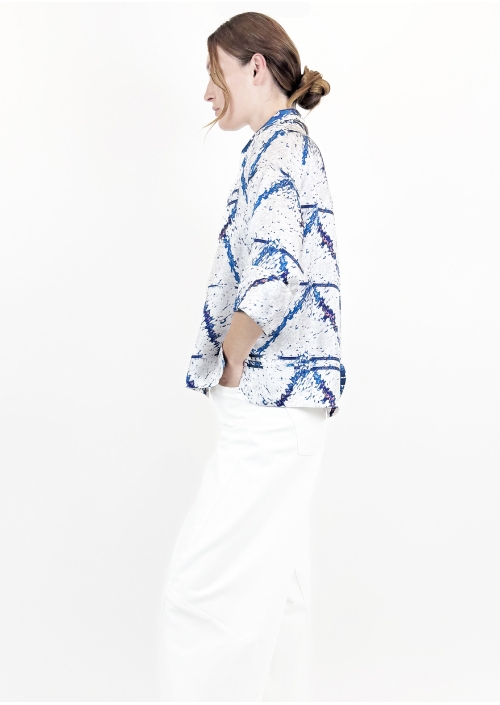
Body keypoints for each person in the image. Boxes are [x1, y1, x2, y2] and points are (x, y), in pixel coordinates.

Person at [159, 11, 346, 702]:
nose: (208, 93)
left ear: (255, 68)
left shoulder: (279, 151)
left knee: (201, 594)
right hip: (291, 403)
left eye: (216, 74)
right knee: (278, 598)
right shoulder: (287, 147)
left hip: (269, 400)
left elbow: (276, 271)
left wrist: (234, 358)